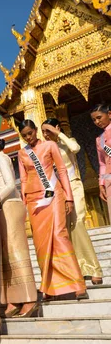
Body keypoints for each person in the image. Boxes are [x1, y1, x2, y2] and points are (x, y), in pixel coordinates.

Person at [18, 120, 87, 300]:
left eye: (30, 133)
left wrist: (69, 197)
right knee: (41, 244)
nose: (27, 137)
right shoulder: (21, 153)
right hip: (34, 200)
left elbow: (62, 171)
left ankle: (77, 283)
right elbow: (23, 179)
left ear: (35, 131)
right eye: (24, 135)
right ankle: (49, 287)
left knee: (59, 235)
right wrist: (24, 201)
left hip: (53, 194)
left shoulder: (50, 145)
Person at [0, 134, 38, 317]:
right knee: (5, 253)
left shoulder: (1, 157)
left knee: (16, 251)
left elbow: (11, 184)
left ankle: (29, 298)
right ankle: (13, 299)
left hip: (10, 206)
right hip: (2, 208)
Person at [43, 118, 103, 285]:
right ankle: (76, 270)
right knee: (65, 231)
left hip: (74, 186)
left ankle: (93, 268)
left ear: (56, 128)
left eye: (48, 130)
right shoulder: (45, 150)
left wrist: (58, 134)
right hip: (57, 192)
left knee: (77, 224)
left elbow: (75, 148)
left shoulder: (67, 142)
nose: (46, 134)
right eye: (44, 131)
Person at [93, 103, 111, 225]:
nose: (97, 121)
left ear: (109, 114)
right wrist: (101, 184)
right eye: (94, 120)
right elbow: (102, 164)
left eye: (99, 117)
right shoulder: (99, 140)